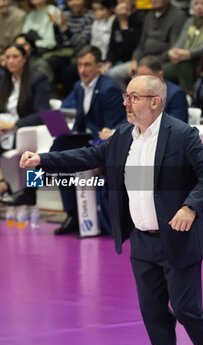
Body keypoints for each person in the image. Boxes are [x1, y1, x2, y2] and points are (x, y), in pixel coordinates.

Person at [20, 74, 203, 345]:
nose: (125, 102)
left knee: (187, 311)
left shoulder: (182, 134)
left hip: (178, 238)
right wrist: (43, 159)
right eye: (126, 96)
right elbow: (88, 156)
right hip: (142, 243)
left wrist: (190, 207)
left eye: (133, 97)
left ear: (155, 102)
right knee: (154, 315)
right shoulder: (123, 135)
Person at [2, 46, 126, 233]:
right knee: (60, 145)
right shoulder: (78, 86)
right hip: (85, 137)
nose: (82, 70)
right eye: (80, 65)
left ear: (99, 66)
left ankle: (30, 191)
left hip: (102, 142)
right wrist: (65, 128)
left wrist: (104, 134)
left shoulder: (109, 89)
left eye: (87, 65)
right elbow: (63, 111)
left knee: (60, 149)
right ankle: (71, 214)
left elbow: (113, 127)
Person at [0, 44, 50, 196]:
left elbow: (44, 114)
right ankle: (3, 183)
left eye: (15, 57)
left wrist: (12, 125)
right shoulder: (4, 80)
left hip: (27, 132)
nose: (10, 61)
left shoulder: (38, 79)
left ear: (25, 58)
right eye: (7, 57)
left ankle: (3, 183)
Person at [109, 0, 187, 90]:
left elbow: (173, 50)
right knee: (113, 74)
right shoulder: (149, 15)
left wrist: (147, 63)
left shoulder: (178, 16)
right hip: (143, 59)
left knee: (143, 77)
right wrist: (135, 60)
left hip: (163, 62)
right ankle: (131, 99)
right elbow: (141, 44)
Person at [162, 0, 203, 92]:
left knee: (184, 65)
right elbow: (181, 41)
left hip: (202, 60)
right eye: (196, 4)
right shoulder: (190, 20)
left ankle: (187, 95)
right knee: (162, 70)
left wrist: (189, 54)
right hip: (184, 59)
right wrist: (173, 52)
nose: (199, 7)